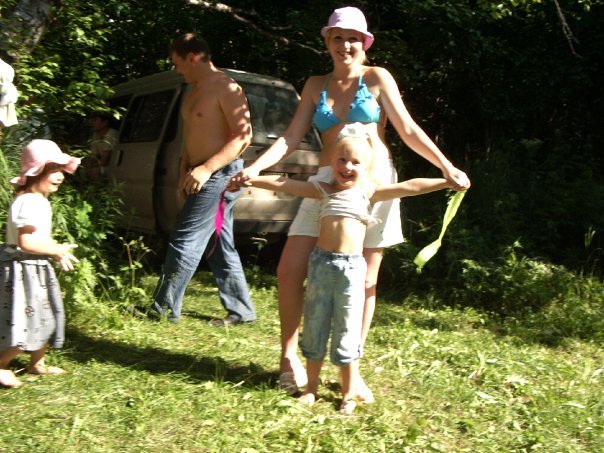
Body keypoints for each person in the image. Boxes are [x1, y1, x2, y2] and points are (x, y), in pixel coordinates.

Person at [228, 6, 471, 394]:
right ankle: (289, 359)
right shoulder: (315, 84)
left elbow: (407, 129)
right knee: (289, 270)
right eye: (338, 37)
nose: (345, 45)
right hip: (326, 182)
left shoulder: (377, 78)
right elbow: (291, 137)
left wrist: (446, 167)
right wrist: (255, 167)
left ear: (365, 42)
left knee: (366, 280)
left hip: (374, 183)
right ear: (327, 40)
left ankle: (350, 370)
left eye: (353, 38)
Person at [247, 129, 456, 413]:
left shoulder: (369, 193)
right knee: (315, 326)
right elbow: (285, 184)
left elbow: (410, 186)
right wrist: (251, 177)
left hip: (351, 270)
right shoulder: (322, 189)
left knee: (347, 330)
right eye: (342, 159)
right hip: (321, 266)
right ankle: (311, 389)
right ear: (332, 161)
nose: (347, 166)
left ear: (367, 167)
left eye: (356, 162)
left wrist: (446, 181)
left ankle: (347, 393)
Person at [146, 32, 256, 326]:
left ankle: (163, 309)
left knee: (185, 238)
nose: (176, 70)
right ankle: (242, 311)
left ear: (192, 58)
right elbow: (191, 137)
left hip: (220, 175)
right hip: (198, 173)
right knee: (218, 243)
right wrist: (184, 170)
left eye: (177, 63)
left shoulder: (227, 88)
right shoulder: (193, 90)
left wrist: (206, 168)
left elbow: (243, 136)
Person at [0, 139, 80, 389]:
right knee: (23, 320)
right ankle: (2, 365)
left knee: (46, 316)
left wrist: (55, 252)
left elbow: (39, 239)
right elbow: (25, 242)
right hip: (22, 270)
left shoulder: (39, 200)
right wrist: (56, 249)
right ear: (36, 172)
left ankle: (36, 363)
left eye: (61, 170)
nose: (60, 176)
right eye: (53, 170)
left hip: (36, 268)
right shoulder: (28, 202)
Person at [86, 111, 119, 181]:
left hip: (114, 166)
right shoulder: (96, 135)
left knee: (95, 171)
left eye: (95, 120)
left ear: (105, 123)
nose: (92, 123)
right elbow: (93, 156)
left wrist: (91, 166)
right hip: (104, 165)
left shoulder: (111, 134)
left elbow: (105, 160)